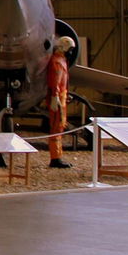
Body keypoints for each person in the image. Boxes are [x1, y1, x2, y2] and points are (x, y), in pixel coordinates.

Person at [47, 36, 75, 168]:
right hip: (57, 97)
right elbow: (55, 81)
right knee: (56, 126)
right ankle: (55, 157)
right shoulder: (57, 61)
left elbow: (62, 80)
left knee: (60, 125)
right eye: (70, 49)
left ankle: (58, 155)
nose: (71, 52)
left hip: (61, 96)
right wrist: (54, 96)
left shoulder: (61, 60)